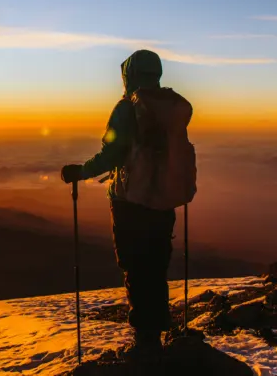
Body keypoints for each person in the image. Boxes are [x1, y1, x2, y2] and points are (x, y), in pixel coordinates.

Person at [60, 49, 177, 356]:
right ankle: (156, 330)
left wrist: (80, 172)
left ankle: (145, 340)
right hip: (164, 199)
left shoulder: (128, 108)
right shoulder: (169, 107)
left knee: (135, 265)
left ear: (129, 74)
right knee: (155, 264)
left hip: (131, 202)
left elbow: (112, 154)